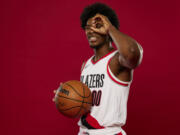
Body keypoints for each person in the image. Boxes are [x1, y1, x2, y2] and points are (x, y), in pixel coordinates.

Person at [54, 2, 143, 135]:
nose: (90, 31)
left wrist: (111, 29)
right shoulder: (86, 65)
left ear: (107, 28)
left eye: (97, 26)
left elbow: (132, 52)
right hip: (84, 131)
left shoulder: (116, 61)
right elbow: (85, 103)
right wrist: (64, 97)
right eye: (87, 27)